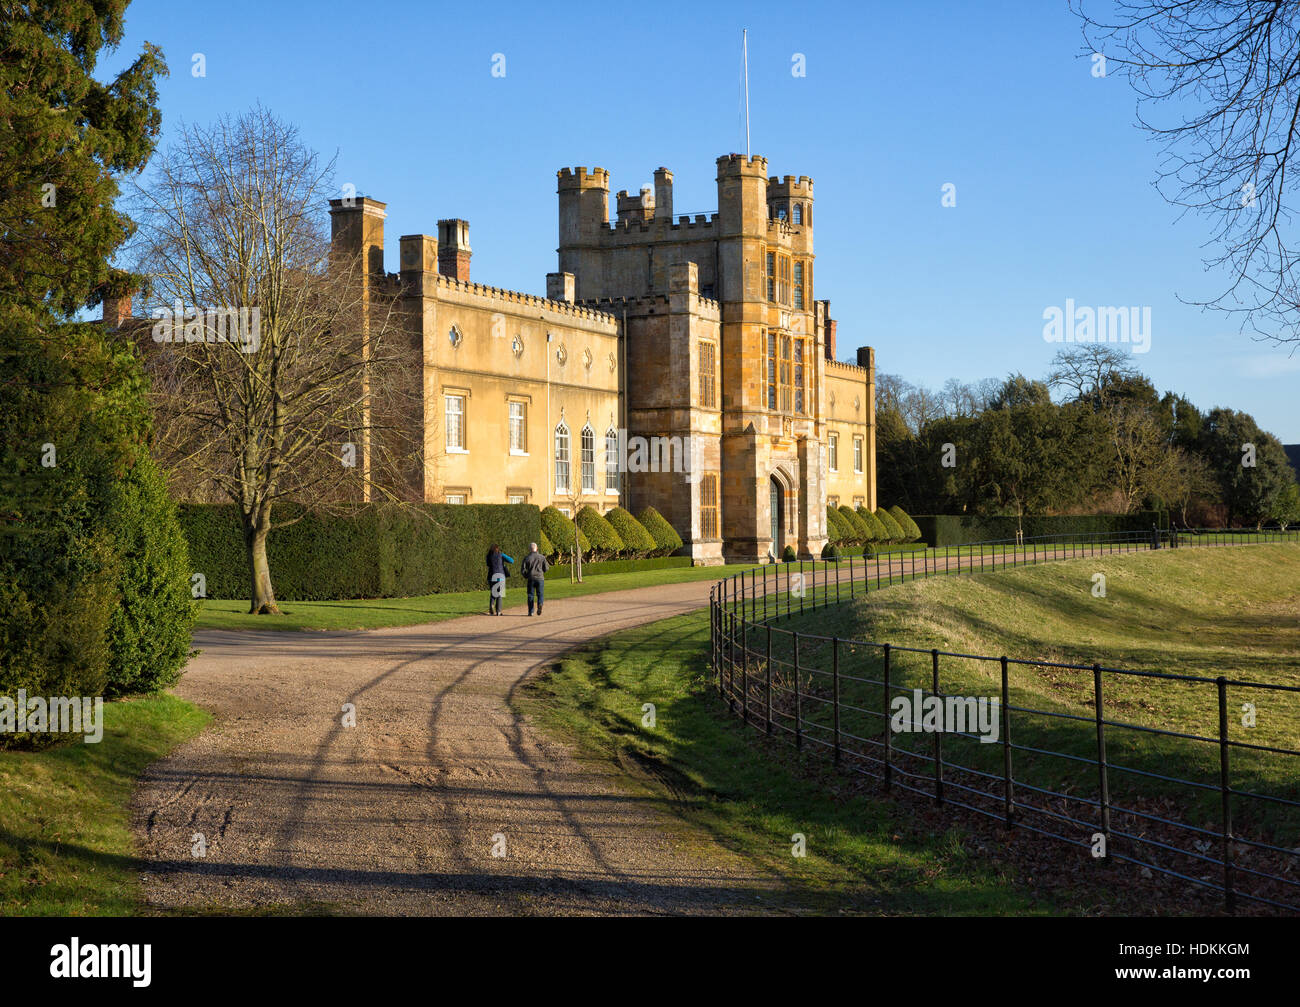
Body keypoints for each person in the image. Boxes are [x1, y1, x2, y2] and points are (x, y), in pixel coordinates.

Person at [520, 541, 550, 616]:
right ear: (537, 549)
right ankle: (540, 604)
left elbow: (523, 570)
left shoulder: (527, 558)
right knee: (540, 594)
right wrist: (541, 571)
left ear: (530, 549)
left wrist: (526, 576)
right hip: (540, 578)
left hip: (531, 578)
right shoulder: (542, 557)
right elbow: (546, 568)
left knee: (530, 595)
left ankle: (531, 611)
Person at [485, 544, 514, 615]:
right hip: (500, 576)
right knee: (499, 594)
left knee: (493, 592)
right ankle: (498, 611)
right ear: (497, 549)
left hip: (491, 576)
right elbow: (511, 561)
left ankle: (491, 605)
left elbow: (488, 564)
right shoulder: (501, 554)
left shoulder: (488, 556)